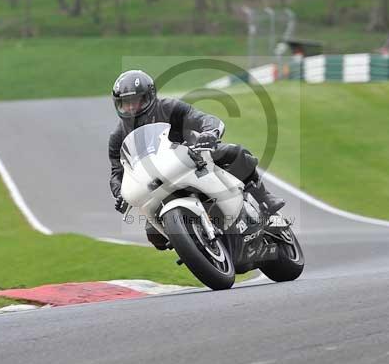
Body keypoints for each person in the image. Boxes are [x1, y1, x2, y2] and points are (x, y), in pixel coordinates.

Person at [107, 70, 285, 250]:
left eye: (135, 101)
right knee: (155, 237)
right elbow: (118, 173)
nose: (131, 108)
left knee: (235, 152)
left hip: (193, 158)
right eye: (125, 103)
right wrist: (119, 193)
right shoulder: (118, 137)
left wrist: (209, 133)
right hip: (157, 184)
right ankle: (193, 244)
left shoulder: (170, 108)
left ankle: (264, 198)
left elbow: (203, 119)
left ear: (150, 96)